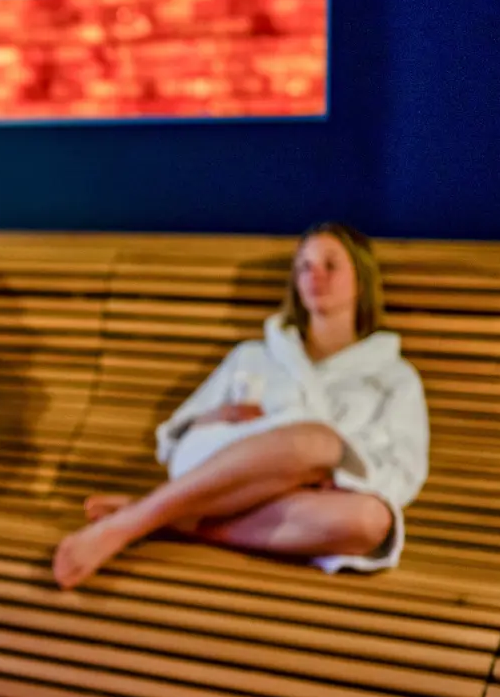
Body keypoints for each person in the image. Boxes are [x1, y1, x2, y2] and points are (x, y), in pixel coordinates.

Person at [53, 223, 429, 590]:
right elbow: (176, 440)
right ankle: (125, 527)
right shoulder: (253, 356)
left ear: (362, 280)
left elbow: (406, 469)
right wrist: (215, 416)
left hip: (310, 503)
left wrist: (343, 477)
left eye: (330, 265)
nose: (315, 276)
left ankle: (172, 519)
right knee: (316, 440)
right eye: (304, 267)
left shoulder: (394, 378)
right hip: (221, 476)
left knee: (371, 522)